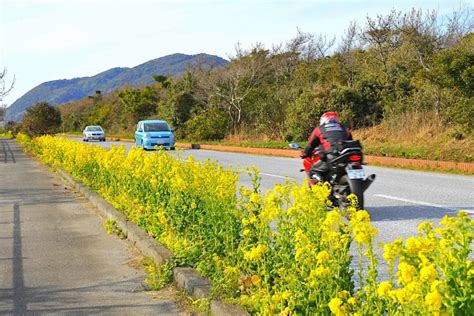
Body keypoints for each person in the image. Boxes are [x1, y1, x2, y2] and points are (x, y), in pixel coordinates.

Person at [300, 112, 353, 183]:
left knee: (313, 170)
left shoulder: (319, 129)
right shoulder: (344, 128)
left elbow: (310, 144)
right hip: (347, 154)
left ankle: (319, 185)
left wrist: (305, 153)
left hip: (332, 155)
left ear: (323, 120)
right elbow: (350, 140)